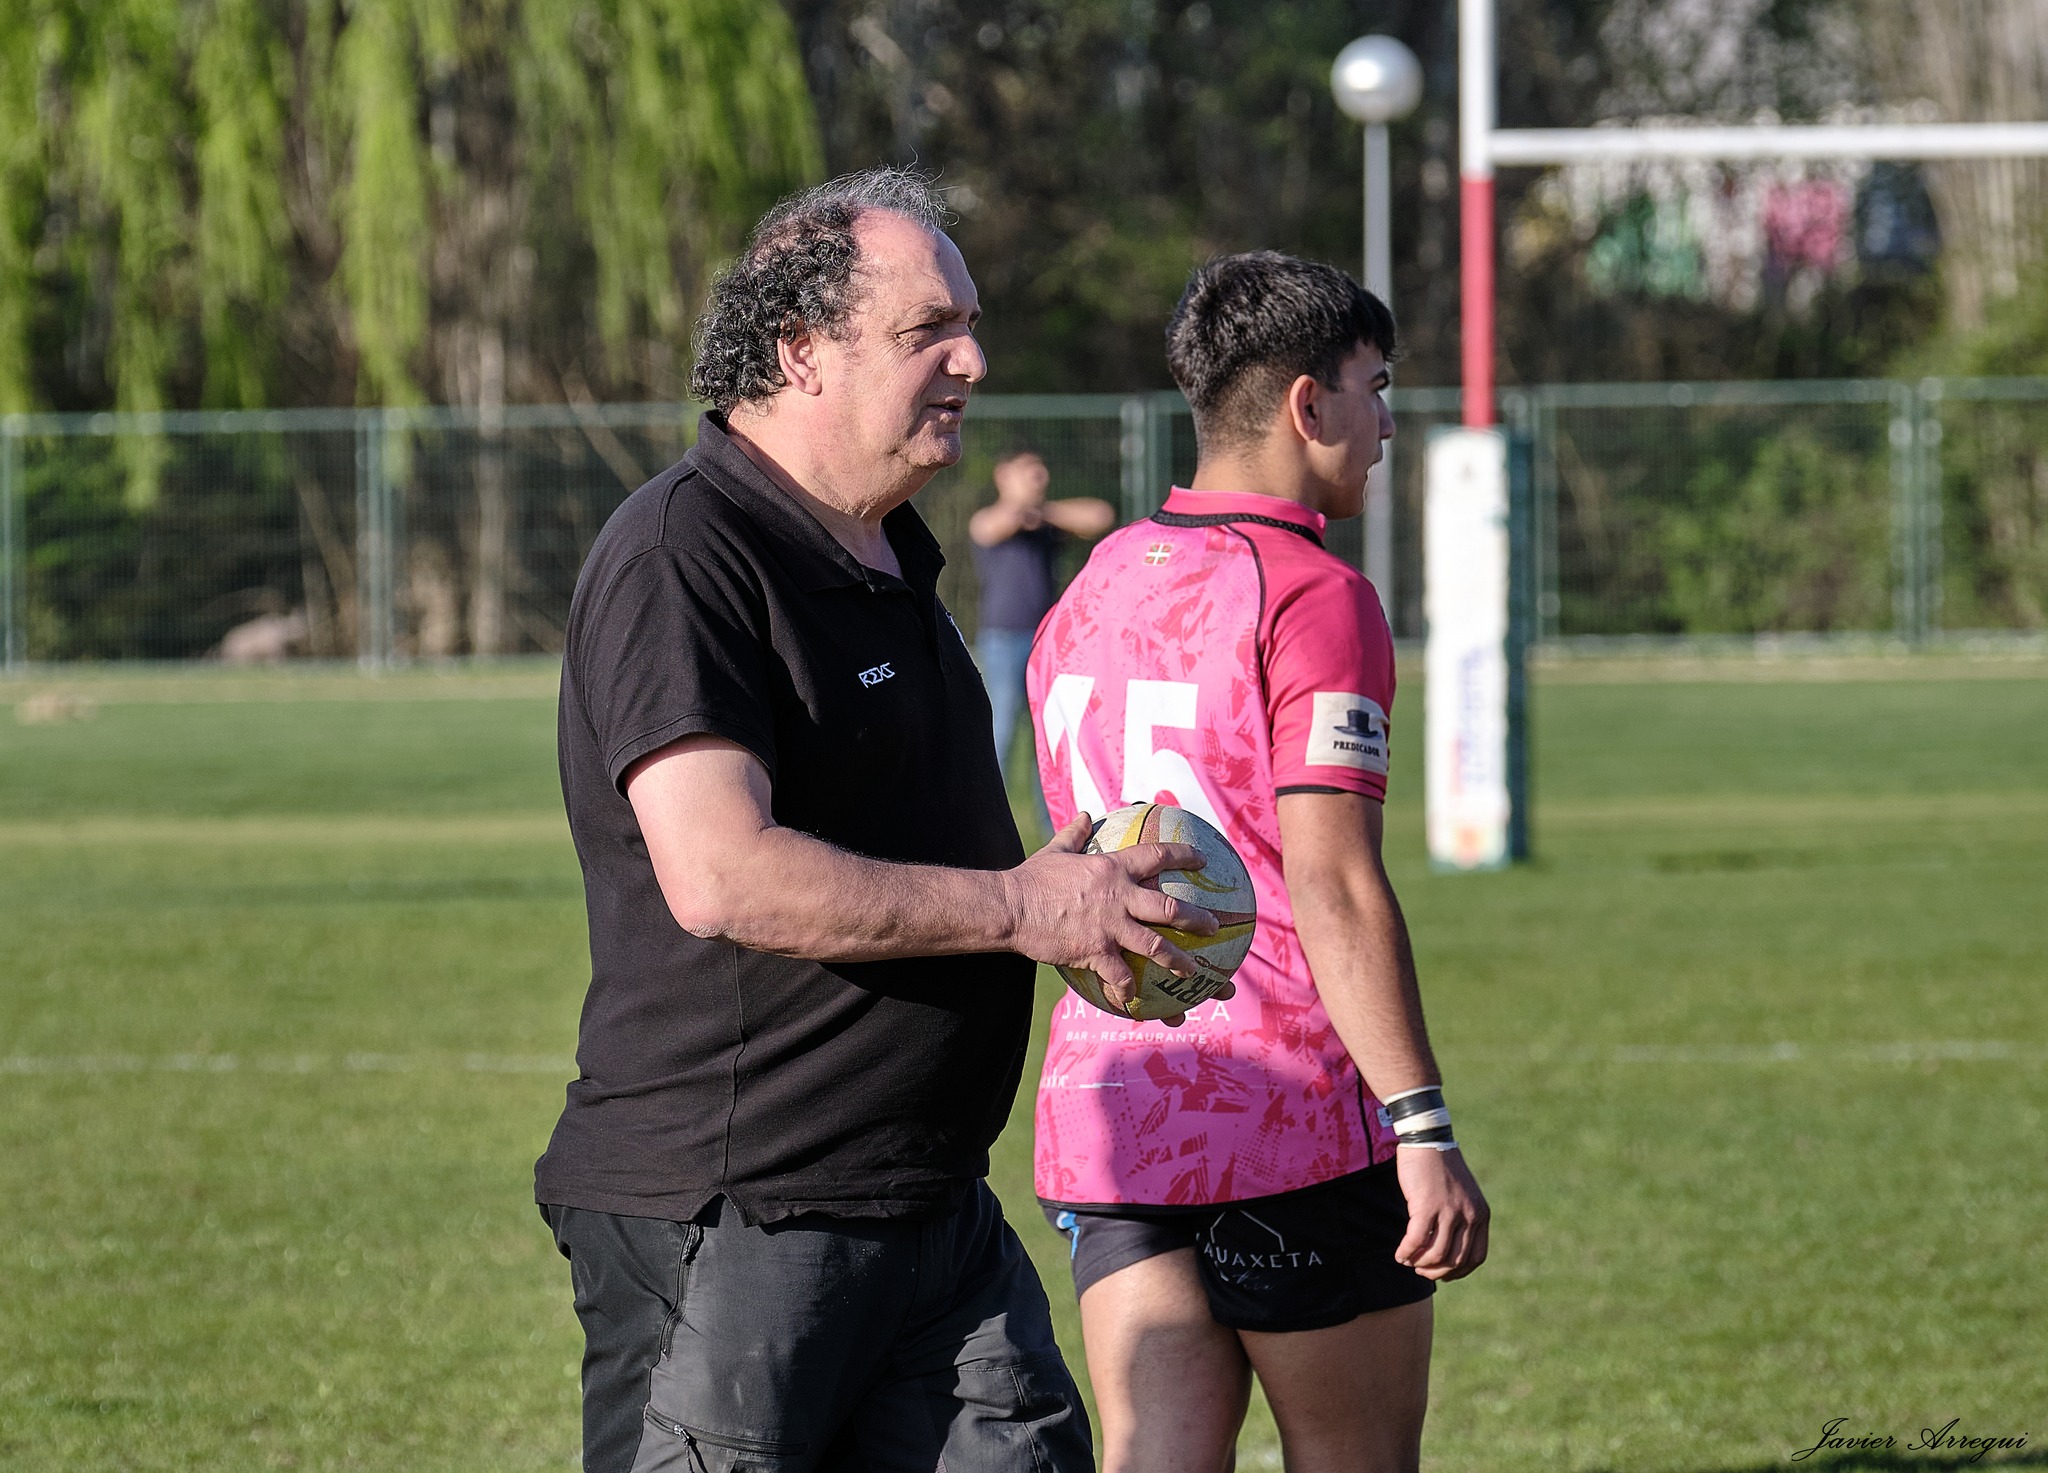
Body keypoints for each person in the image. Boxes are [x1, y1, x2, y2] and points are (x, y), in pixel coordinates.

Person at [534, 168, 1227, 1473]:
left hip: (928, 1212)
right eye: (928, 332)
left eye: (968, 323)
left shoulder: (889, 552)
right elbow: (720, 873)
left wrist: (1080, 913)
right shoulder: (686, 551)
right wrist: (1021, 908)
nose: (972, 357)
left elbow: (937, 863)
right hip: (737, 1215)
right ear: (802, 351)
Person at [1025, 251, 1490, 1473]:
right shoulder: (1312, 595)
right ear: (1305, 404)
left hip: (1115, 1105)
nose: (1385, 420)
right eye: (1373, 387)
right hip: (1279, 1108)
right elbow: (1331, 883)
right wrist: (1421, 1124)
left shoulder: (1095, 585)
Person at [968, 450, 1113, 816]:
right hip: (1002, 641)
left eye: (1041, 472)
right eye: (1029, 471)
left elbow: (1100, 515)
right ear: (1003, 475)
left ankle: (1051, 822)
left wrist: (1041, 512)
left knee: (1048, 738)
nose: (1039, 478)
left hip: (1046, 642)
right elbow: (988, 527)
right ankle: (987, 816)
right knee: (998, 729)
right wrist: (1025, 511)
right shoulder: (992, 520)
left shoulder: (1045, 520)